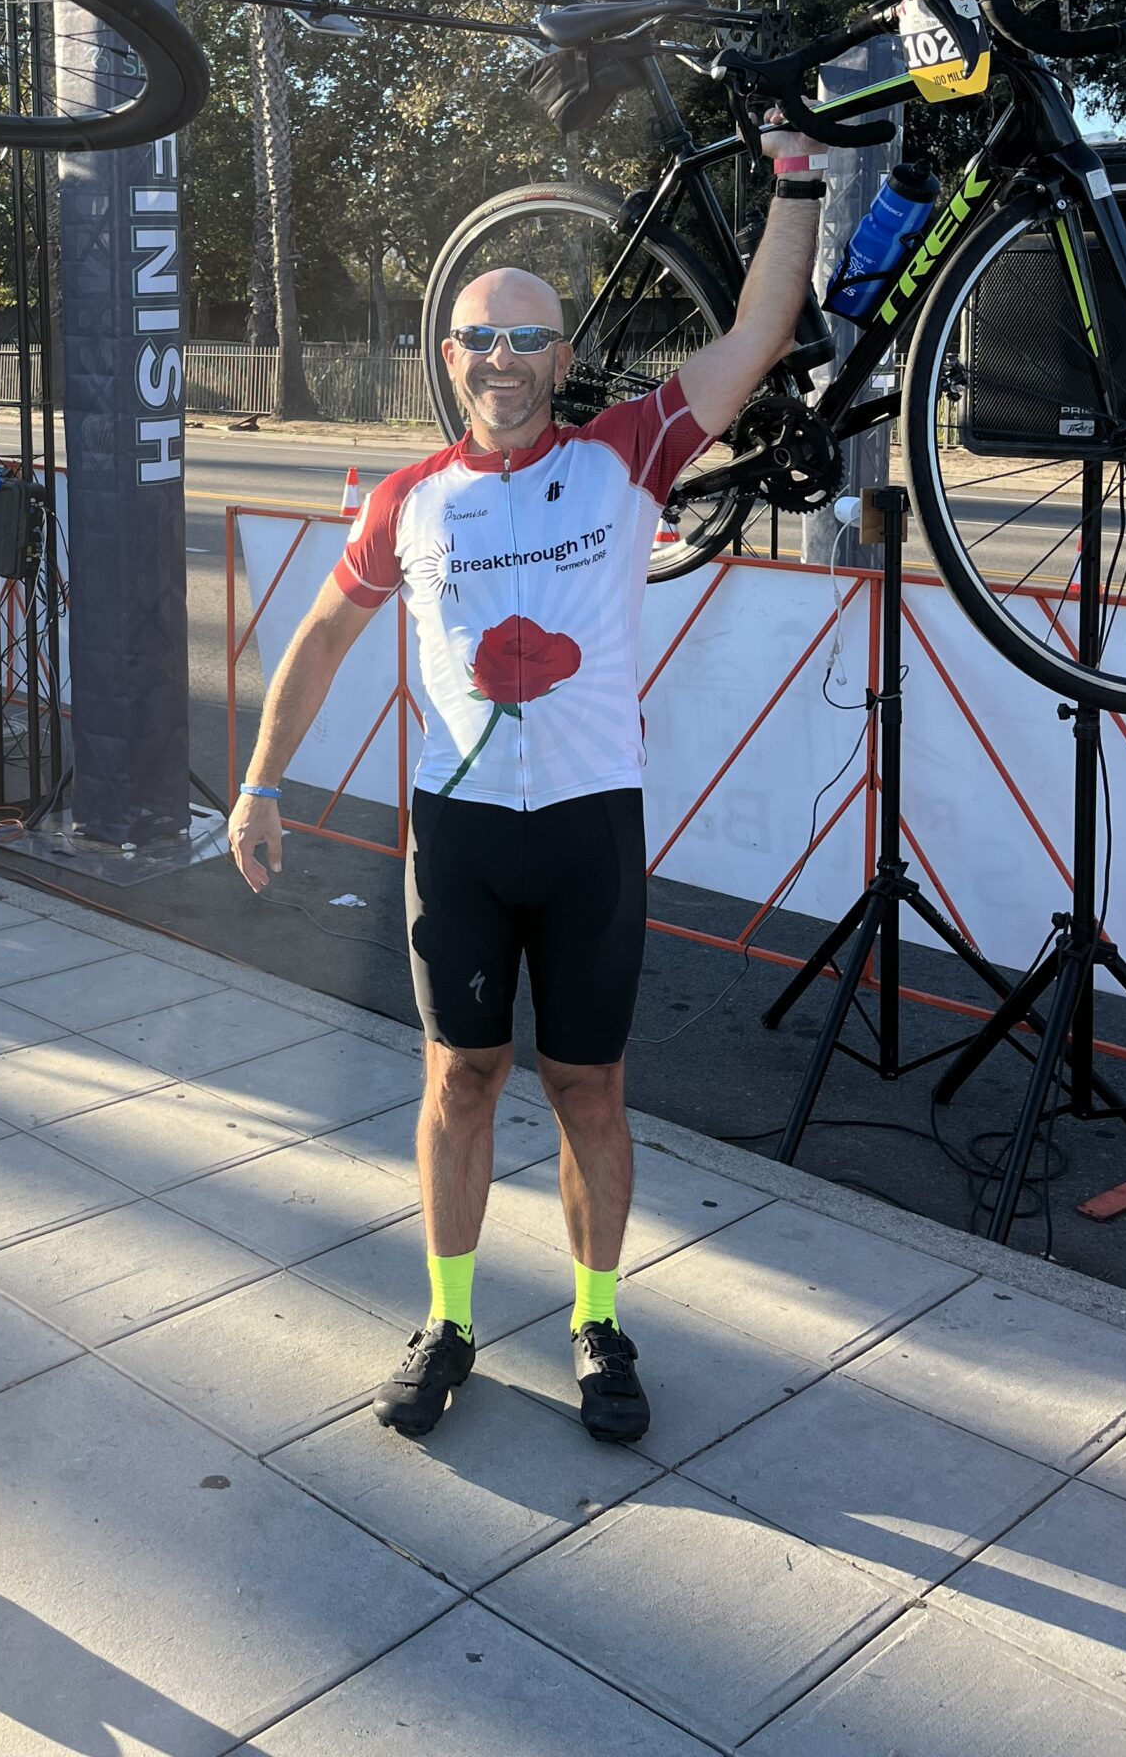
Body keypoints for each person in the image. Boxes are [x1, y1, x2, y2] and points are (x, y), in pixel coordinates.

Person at [228, 119, 827, 1443]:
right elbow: (319, 638)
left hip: (589, 830)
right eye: (478, 337)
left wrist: (796, 173)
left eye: (526, 337)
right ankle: (447, 1321)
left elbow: (756, 338)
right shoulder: (407, 500)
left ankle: (596, 1321)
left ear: (562, 357)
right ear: (448, 356)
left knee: (588, 1090)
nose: (501, 357)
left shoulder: (623, 455)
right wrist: (261, 785)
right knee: (460, 1080)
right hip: (460, 836)